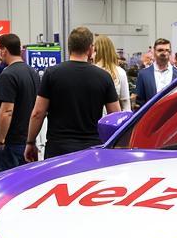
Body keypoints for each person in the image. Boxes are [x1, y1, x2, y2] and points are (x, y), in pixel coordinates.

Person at [25, 26, 120, 161]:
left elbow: (38, 113)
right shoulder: (104, 77)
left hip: (58, 149)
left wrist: (30, 142)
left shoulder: (52, 74)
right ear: (90, 48)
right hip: (92, 149)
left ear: (69, 47)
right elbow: (115, 115)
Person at [0, 33, 41, 170]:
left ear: (4, 50)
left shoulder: (8, 75)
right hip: (28, 138)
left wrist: (0, 140)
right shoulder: (33, 73)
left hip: (11, 140)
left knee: (9, 184)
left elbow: (7, 111)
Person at [134, 38, 177, 107]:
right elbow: (139, 102)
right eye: (160, 50)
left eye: (167, 50)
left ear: (170, 52)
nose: (164, 53)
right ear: (154, 51)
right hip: (150, 116)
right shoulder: (143, 74)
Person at [93, 34, 131, 111]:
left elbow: (125, 102)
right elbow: (126, 103)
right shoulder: (120, 72)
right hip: (113, 119)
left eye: (94, 51)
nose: (92, 55)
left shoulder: (91, 72)